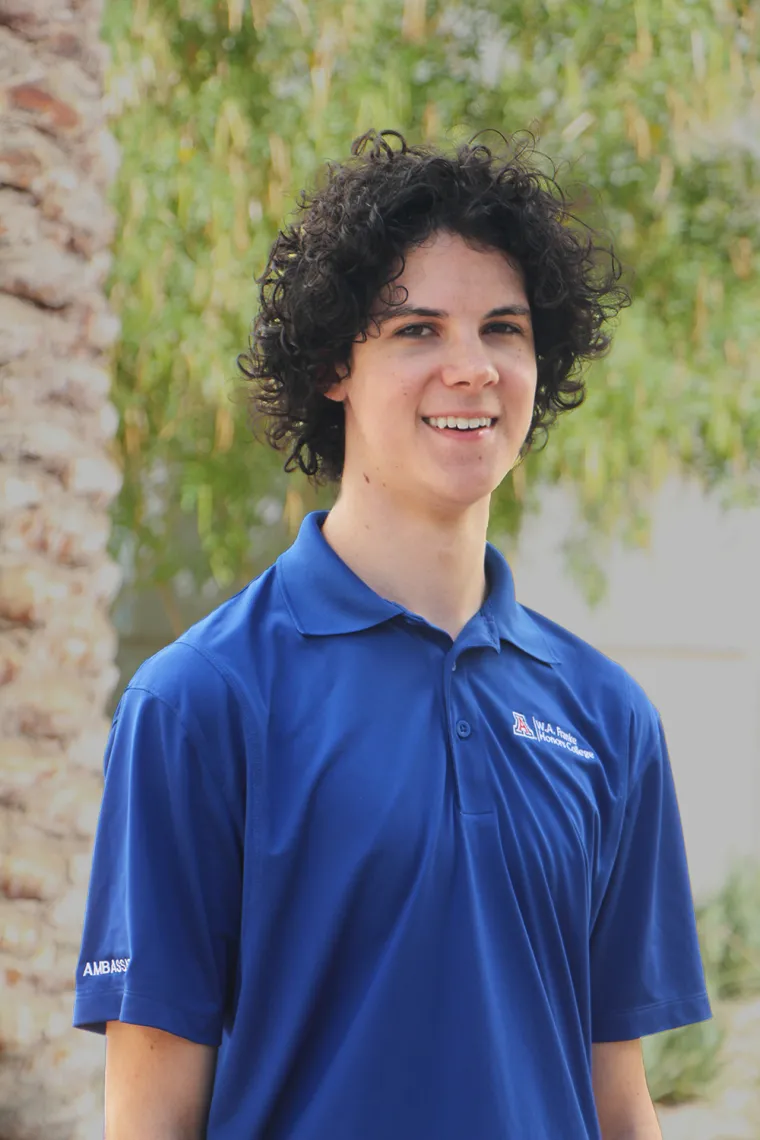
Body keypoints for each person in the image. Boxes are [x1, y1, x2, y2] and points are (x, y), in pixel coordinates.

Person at [74, 129, 711, 1139]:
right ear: (336, 363)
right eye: (417, 330)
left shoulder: (605, 717)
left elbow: (619, 1105)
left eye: (502, 328)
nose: (471, 369)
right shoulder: (198, 702)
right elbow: (149, 1112)